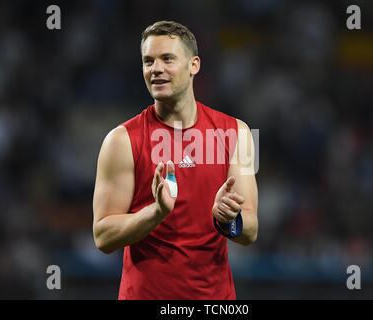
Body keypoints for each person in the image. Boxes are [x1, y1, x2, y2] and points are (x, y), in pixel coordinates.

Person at [92, 20, 258, 300]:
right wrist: (155, 212)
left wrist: (227, 219)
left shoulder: (236, 133)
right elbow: (103, 236)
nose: (155, 69)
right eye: (148, 61)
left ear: (194, 65)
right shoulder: (121, 140)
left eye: (167, 59)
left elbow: (250, 230)